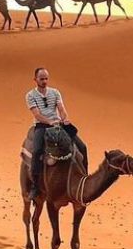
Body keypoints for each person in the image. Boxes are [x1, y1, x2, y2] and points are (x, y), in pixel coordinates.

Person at [25, 67, 88, 199]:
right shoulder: (30, 95)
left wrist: (65, 118)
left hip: (59, 124)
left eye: (46, 78)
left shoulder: (55, 92)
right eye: (41, 79)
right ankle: (35, 186)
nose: (44, 81)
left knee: (82, 147)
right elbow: (37, 114)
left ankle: (84, 179)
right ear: (35, 79)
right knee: (36, 151)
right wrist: (49, 122)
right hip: (42, 125)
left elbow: (61, 109)